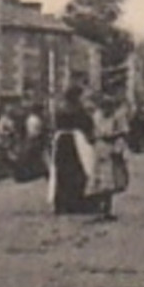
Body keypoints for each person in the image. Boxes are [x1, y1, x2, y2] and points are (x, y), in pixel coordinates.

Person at [48, 87, 99, 216]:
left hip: (61, 142)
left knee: (62, 173)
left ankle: (61, 203)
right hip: (76, 142)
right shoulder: (79, 111)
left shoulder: (60, 109)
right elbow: (87, 125)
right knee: (77, 171)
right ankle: (75, 203)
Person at [88, 94, 130, 220]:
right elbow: (96, 133)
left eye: (109, 107)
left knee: (110, 180)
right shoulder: (97, 116)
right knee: (99, 179)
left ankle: (107, 209)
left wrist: (119, 145)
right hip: (100, 148)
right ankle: (101, 209)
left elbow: (123, 133)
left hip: (111, 149)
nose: (107, 110)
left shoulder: (117, 117)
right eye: (105, 107)